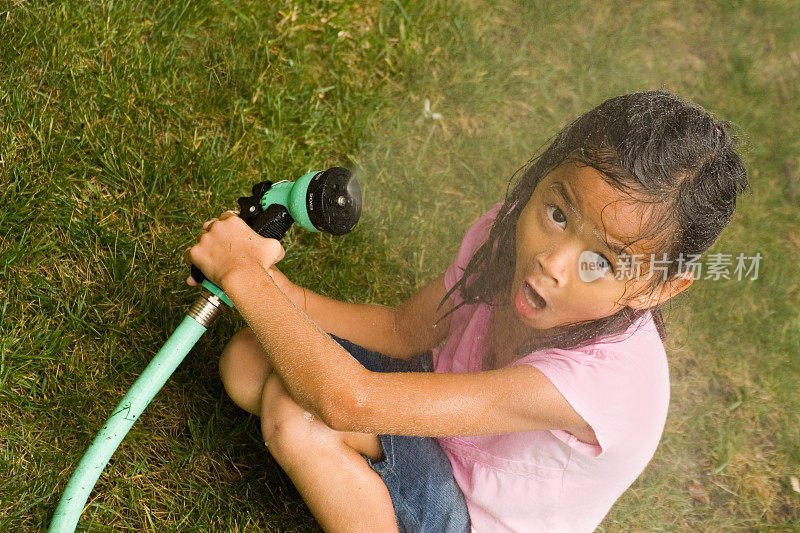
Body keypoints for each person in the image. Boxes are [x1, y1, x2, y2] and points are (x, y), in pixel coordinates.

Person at [185, 90, 749, 532]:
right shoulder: (506, 237)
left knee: (298, 411)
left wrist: (241, 276)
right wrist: (268, 285)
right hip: (438, 436)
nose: (553, 262)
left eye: (601, 263)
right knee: (247, 359)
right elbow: (403, 330)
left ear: (656, 289)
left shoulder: (602, 384)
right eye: (557, 213)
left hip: (472, 522)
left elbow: (347, 399)